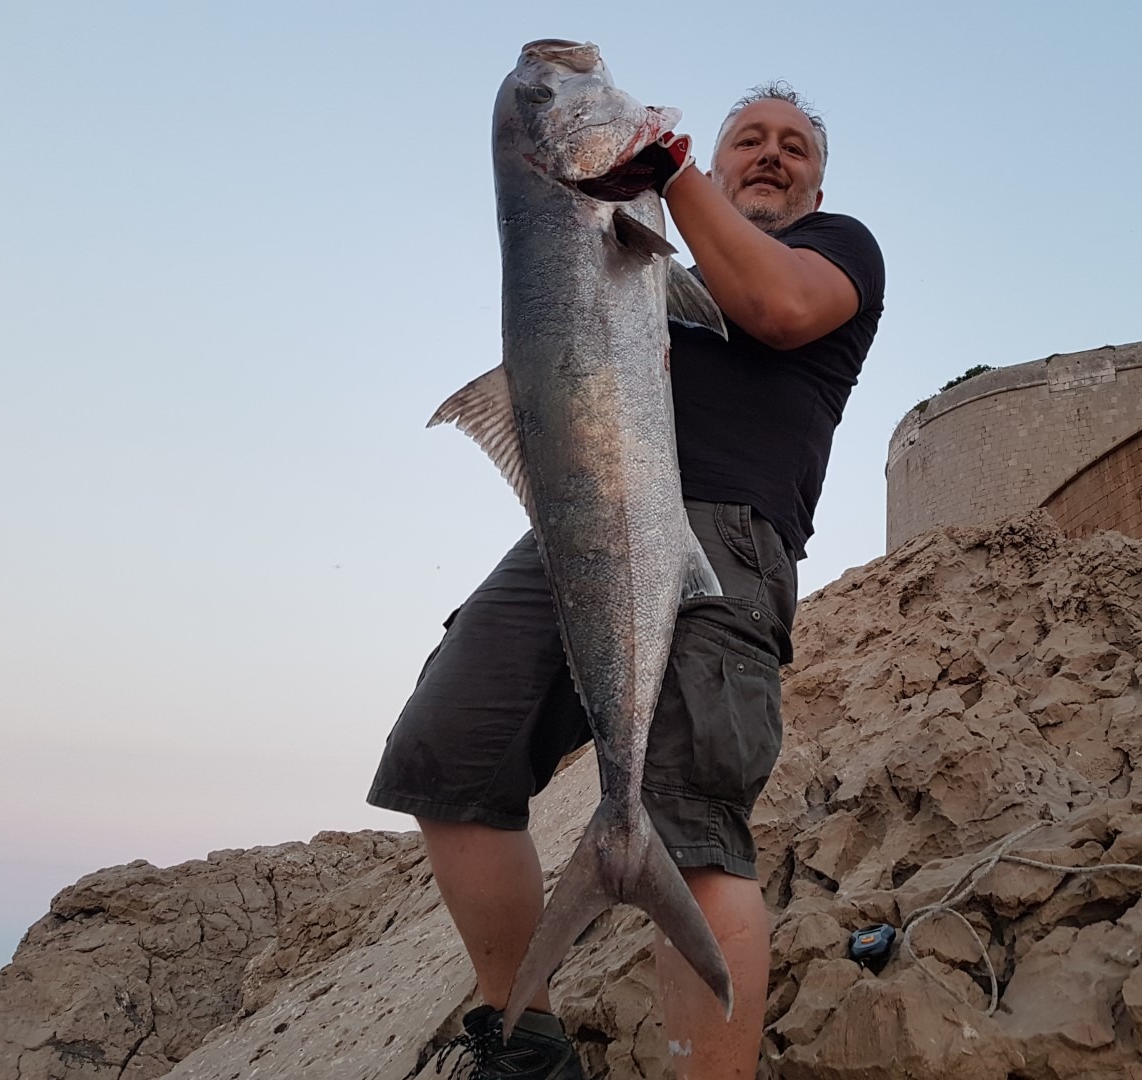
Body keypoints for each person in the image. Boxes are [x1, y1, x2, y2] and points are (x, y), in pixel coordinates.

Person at [367, 81, 885, 1079]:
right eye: (749, 140)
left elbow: (776, 308)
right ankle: (526, 1047)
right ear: (720, 167)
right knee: (447, 753)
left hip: (723, 536)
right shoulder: (649, 269)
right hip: (573, 536)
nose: (771, 154)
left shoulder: (839, 249)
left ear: (819, 187)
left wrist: (672, 172)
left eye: (794, 146)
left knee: (692, 827)